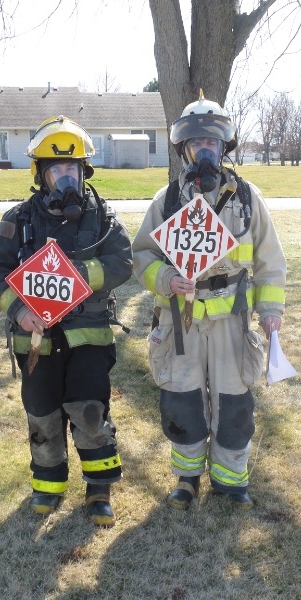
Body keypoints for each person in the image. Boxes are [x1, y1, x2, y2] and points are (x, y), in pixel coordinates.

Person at [132, 93, 286, 511]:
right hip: (178, 324)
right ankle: (186, 478)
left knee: (234, 403)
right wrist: (165, 278)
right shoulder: (166, 202)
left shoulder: (248, 200)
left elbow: (270, 263)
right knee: (180, 401)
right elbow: (140, 256)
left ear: (224, 148)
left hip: (230, 326)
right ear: (185, 150)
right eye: (197, 144)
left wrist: (270, 314)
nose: (205, 151)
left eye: (212, 144)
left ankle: (231, 479)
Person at [0, 115, 132, 526]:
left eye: (72, 169)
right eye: (56, 170)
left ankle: (99, 490)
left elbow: (123, 263)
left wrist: (78, 279)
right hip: (36, 341)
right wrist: (20, 310)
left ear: (84, 172)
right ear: (41, 175)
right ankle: (47, 485)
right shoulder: (19, 219)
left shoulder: (103, 217)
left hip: (89, 338)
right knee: (42, 412)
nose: (65, 178)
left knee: (89, 411)